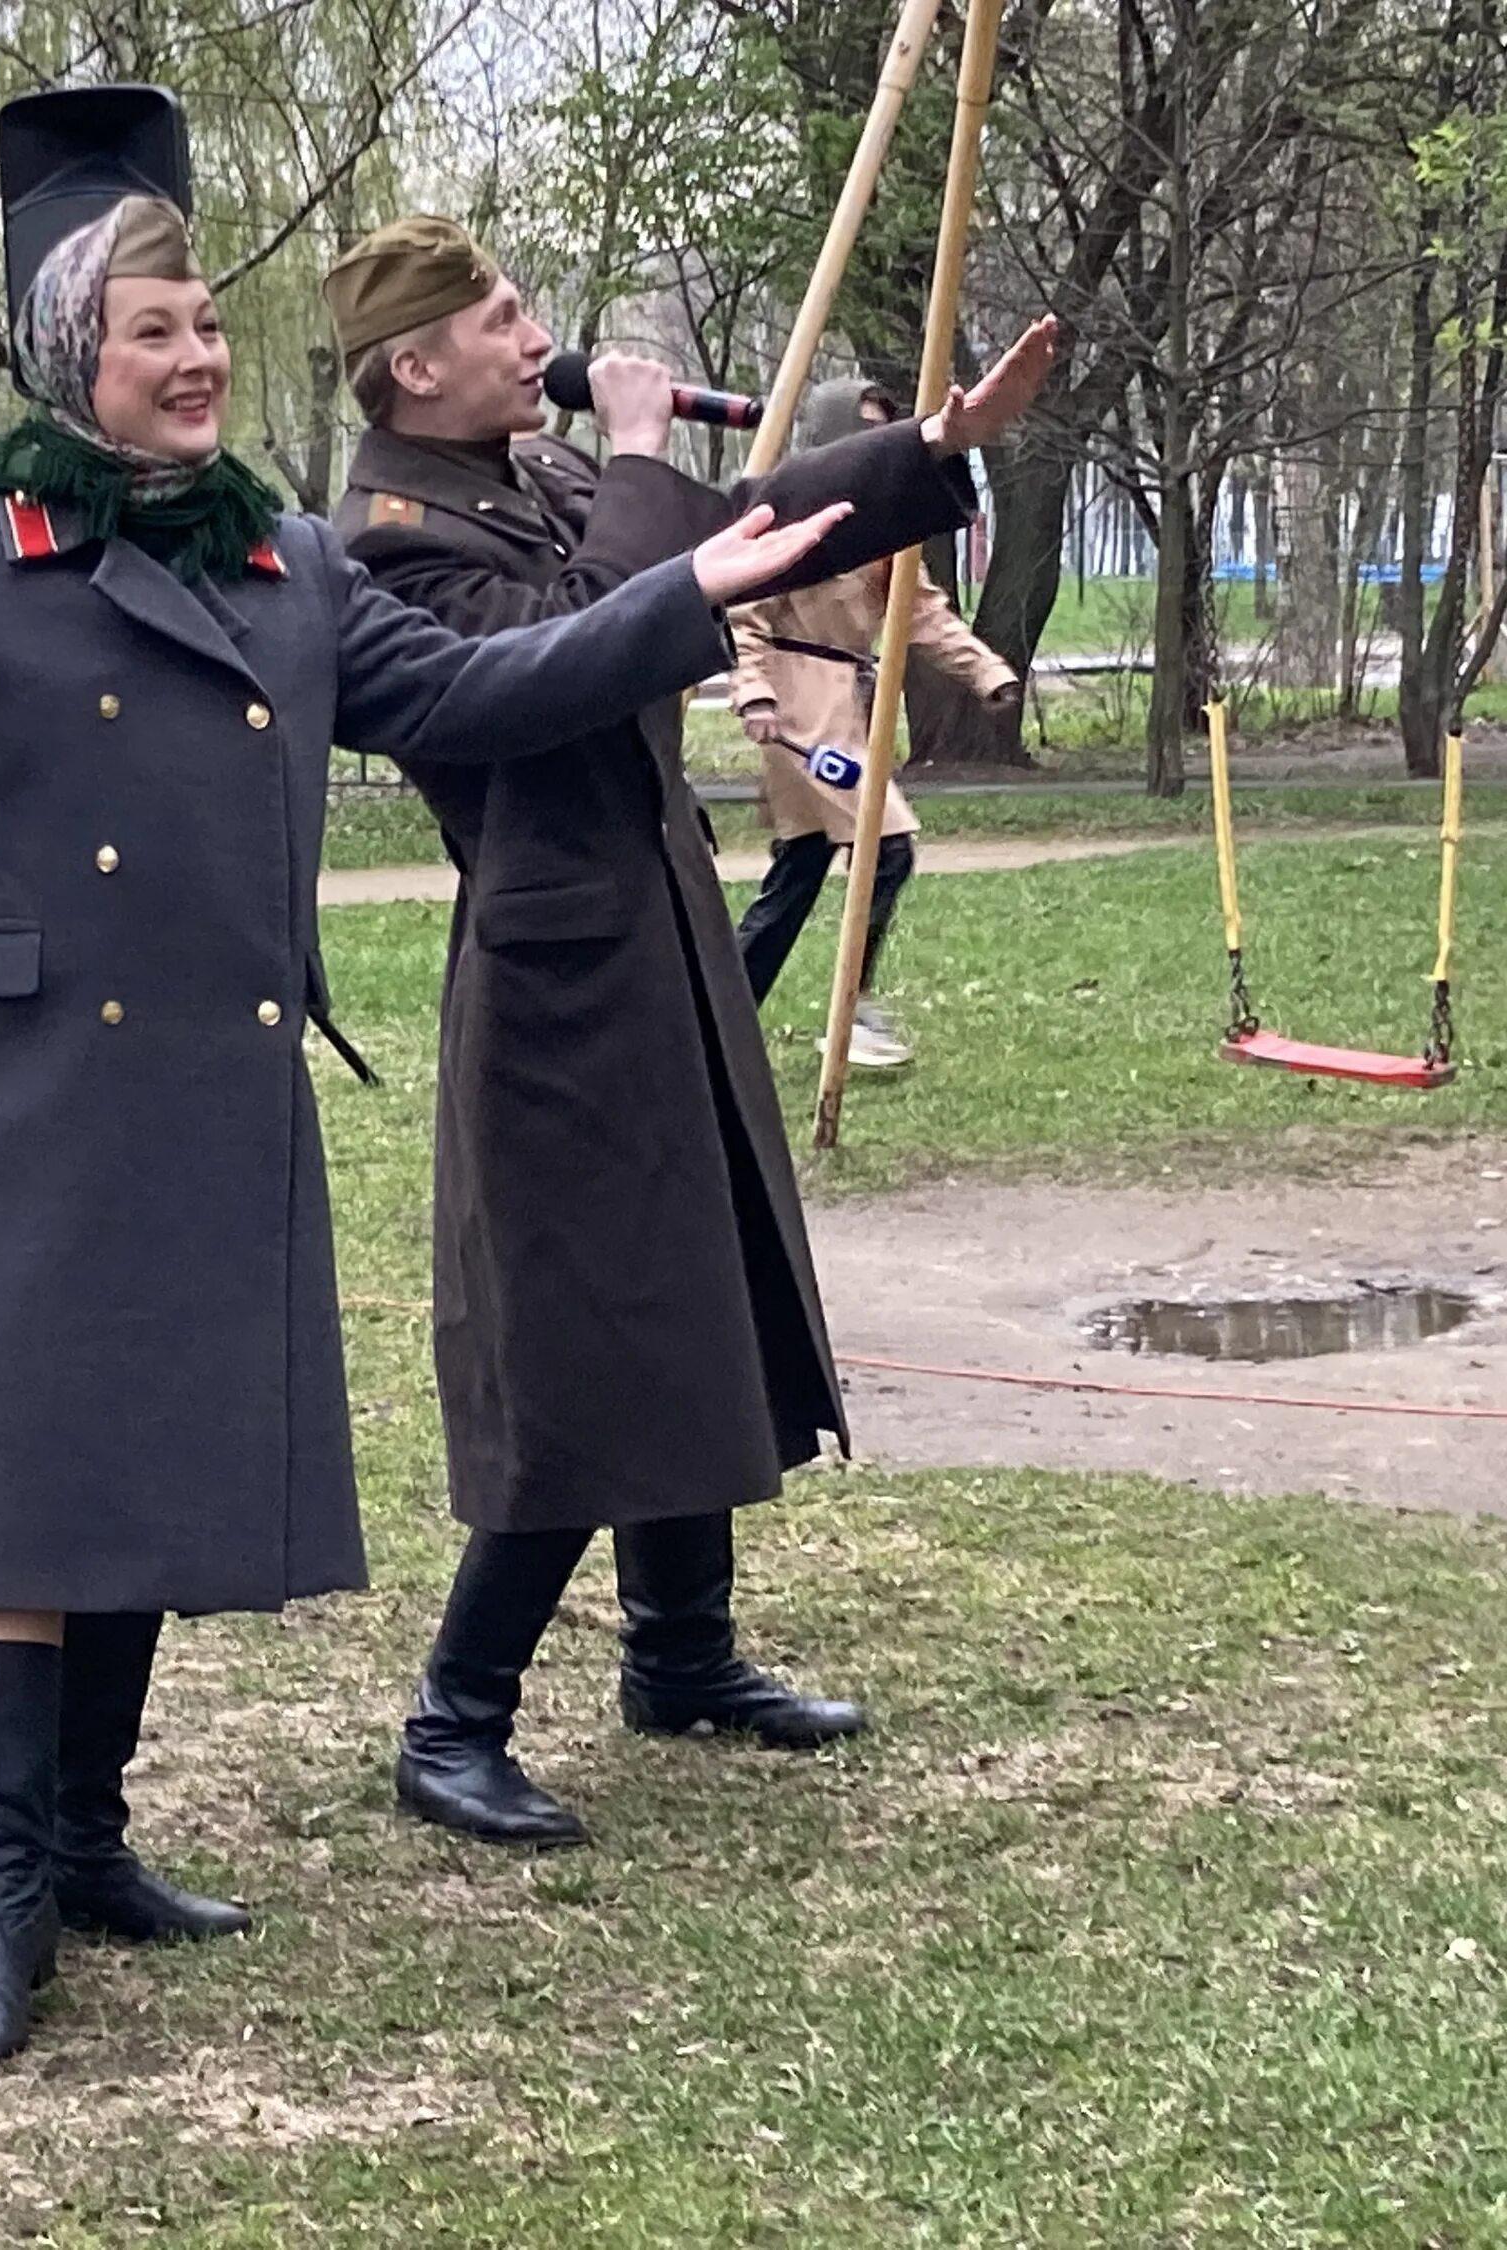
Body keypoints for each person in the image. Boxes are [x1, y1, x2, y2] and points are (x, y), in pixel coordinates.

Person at [0, 86, 857, 2073]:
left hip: (200, 1061)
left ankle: (89, 1841)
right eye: (157, 330)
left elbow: (493, 693)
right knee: (14, 1494)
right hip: (11, 1084)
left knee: (148, 1452)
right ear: (72, 360)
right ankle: (4, 1898)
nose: (197, 358)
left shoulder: (286, 564)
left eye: (209, 329)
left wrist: (682, 596)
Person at [326, 217, 1055, 1846]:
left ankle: (683, 1649)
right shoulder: (389, 532)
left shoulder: (533, 476)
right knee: (581, 1325)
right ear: (412, 363)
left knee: (693, 1277)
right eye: (501, 319)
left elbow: (750, 535)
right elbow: (562, 654)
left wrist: (929, 447)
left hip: (650, 914)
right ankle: (456, 1721)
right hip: (547, 955)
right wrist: (642, 446)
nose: (538, 338)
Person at [732, 377, 1025, 1066]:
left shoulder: (886, 526)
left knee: (801, 869)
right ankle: (851, 1010)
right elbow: (743, 613)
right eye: (858, 428)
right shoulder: (785, 510)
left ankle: (724, 1014)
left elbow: (919, 612)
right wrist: (754, 693)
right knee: (885, 846)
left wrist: (986, 670)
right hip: (797, 703)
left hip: (845, 702)